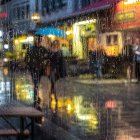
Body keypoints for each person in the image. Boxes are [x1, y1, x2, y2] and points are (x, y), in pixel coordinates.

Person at [25, 35, 50, 107]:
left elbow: (48, 58)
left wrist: (45, 65)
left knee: (39, 84)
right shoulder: (31, 49)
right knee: (36, 84)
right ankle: (35, 98)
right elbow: (26, 59)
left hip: (41, 69)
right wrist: (30, 66)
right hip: (34, 69)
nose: (38, 41)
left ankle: (37, 98)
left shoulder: (43, 49)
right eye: (37, 39)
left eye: (39, 39)